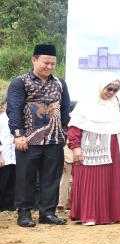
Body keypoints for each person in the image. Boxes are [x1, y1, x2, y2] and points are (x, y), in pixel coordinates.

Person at [7, 44, 70, 227]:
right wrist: (18, 134)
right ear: (34, 60)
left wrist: (63, 131)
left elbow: (65, 109)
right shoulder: (20, 82)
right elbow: (14, 109)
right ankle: (24, 214)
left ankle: (47, 213)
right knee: (26, 177)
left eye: (52, 64)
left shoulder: (60, 83)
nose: (49, 67)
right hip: (28, 139)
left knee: (51, 177)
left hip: (54, 138)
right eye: (46, 63)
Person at [67, 76, 120, 225]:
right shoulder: (87, 102)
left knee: (111, 180)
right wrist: (75, 147)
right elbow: (75, 126)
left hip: (114, 145)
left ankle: (111, 215)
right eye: (109, 88)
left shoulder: (117, 103)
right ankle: (89, 215)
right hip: (90, 145)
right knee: (89, 179)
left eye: (115, 90)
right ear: (101, 86)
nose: (111, 92)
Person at [58, 101, 77, 210]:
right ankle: (70, 203)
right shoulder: (76, 122)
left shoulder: (63, 121)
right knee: (75, 181)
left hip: (68, 155)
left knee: (64, 181)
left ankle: (62, 203)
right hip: (73, 155)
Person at [0, 96, 16, 212]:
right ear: (4, 105)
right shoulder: (1, 119)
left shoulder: (17, 120)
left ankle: (9, 206)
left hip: (15, 157)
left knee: (12, 182)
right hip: (3, 155)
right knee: (2, 182)